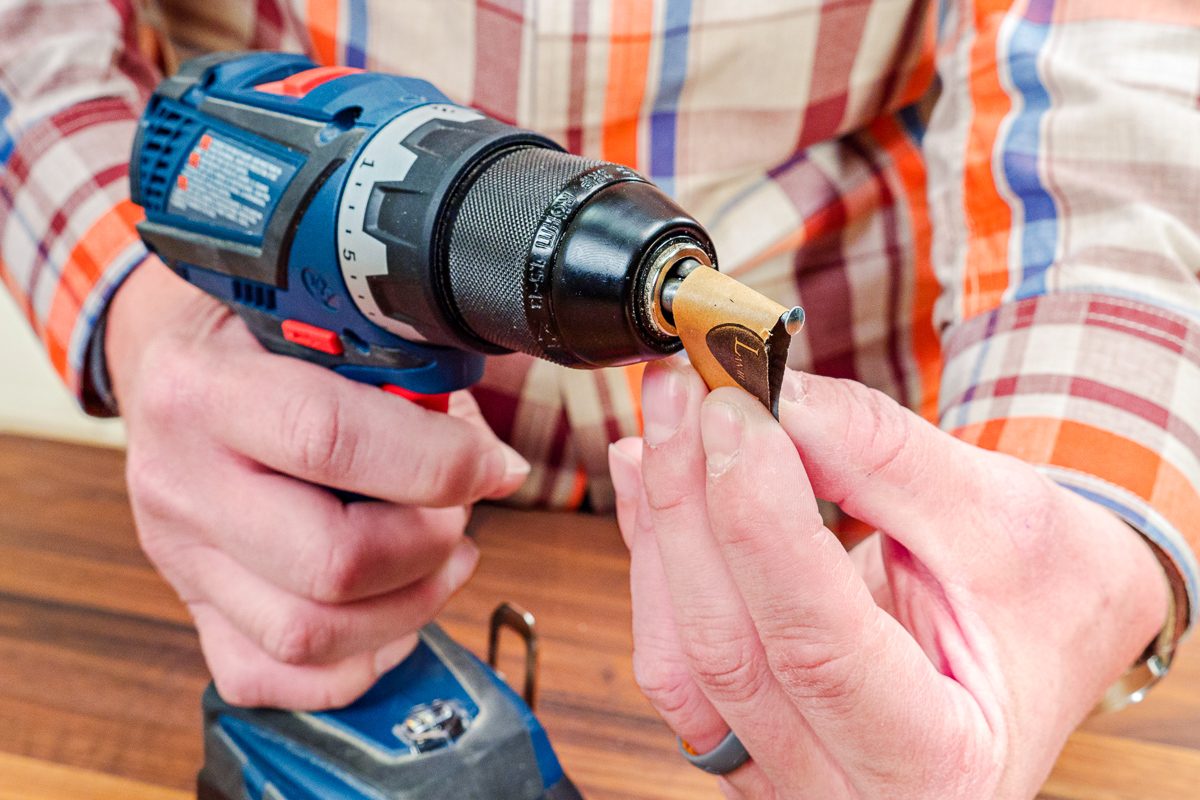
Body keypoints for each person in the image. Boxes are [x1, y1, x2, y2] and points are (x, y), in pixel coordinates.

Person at [2, 0, 1197, 796]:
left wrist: (1070, 548)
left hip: (865, 555)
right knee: (314, 639)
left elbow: (1119, 98)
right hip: (241, 538)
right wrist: (159, 322)